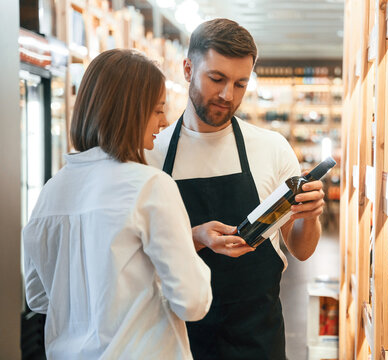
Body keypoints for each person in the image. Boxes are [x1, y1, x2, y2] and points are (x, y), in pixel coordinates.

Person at [147, 18, 325, 359]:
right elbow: (137, 254)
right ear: (187, 69)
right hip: (178, 341)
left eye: (241, 84)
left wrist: (309, 216)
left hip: (257, 339)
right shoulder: (151, 153)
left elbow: (300, 250)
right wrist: (194, 236)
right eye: (217, 79)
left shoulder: (271, 148)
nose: (228, 95)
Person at [23, 49, 212, 359]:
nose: (164, 121)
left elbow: (39, 297)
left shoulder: (51, 192)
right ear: (129, 113)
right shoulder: (150, 185)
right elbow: (193, 302)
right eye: (157, 110)